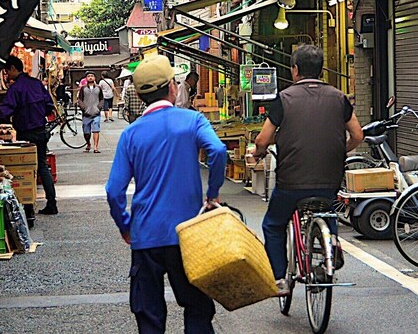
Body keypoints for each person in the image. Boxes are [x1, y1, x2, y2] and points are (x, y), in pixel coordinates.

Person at [105, 55, 227, 334]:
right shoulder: (193, 120)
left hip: (145, 235)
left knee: (148, 314)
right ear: (172, 87)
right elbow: (218, 151)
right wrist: (213, 195)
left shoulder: (131, 134)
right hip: (188, 233)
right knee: (197, 306)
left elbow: (114, 191)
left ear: (138, 94)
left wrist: (126, 226)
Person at [252, 45, 364, 295]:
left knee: (273, 224)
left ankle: (280, 278)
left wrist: (257, 153)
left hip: (291, 182)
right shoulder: (339, 97)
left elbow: (262, 140)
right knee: (326, 209)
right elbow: (358, 135)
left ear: (295, 70)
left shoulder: (285, 98)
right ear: (321, 69)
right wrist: (340, 150)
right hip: (329, 179)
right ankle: (331, 245)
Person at [0, 55, 59, 215]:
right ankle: (52, 203)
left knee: (25, 169)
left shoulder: (15, 89)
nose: (6, 75)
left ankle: (28, 208)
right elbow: (49, 106)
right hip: (41, 131)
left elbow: (4, 111)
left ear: (13, 68)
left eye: (7, 72)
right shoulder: (36, 84)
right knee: (42, 166)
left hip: (25, 134)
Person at [78, 72, 103, 153]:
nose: (90, 77)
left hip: (96, 113)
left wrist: (99, 107)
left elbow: (102, 99)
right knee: (86, 132)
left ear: (95, 78)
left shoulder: (98, 88)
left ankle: (96, 147)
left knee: (96, 130)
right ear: (86, 78)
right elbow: (80, 100)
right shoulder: (83, 88)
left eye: (92, 76)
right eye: (88, 76)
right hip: (86, 113)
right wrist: (83, 108)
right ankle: (88, 143)